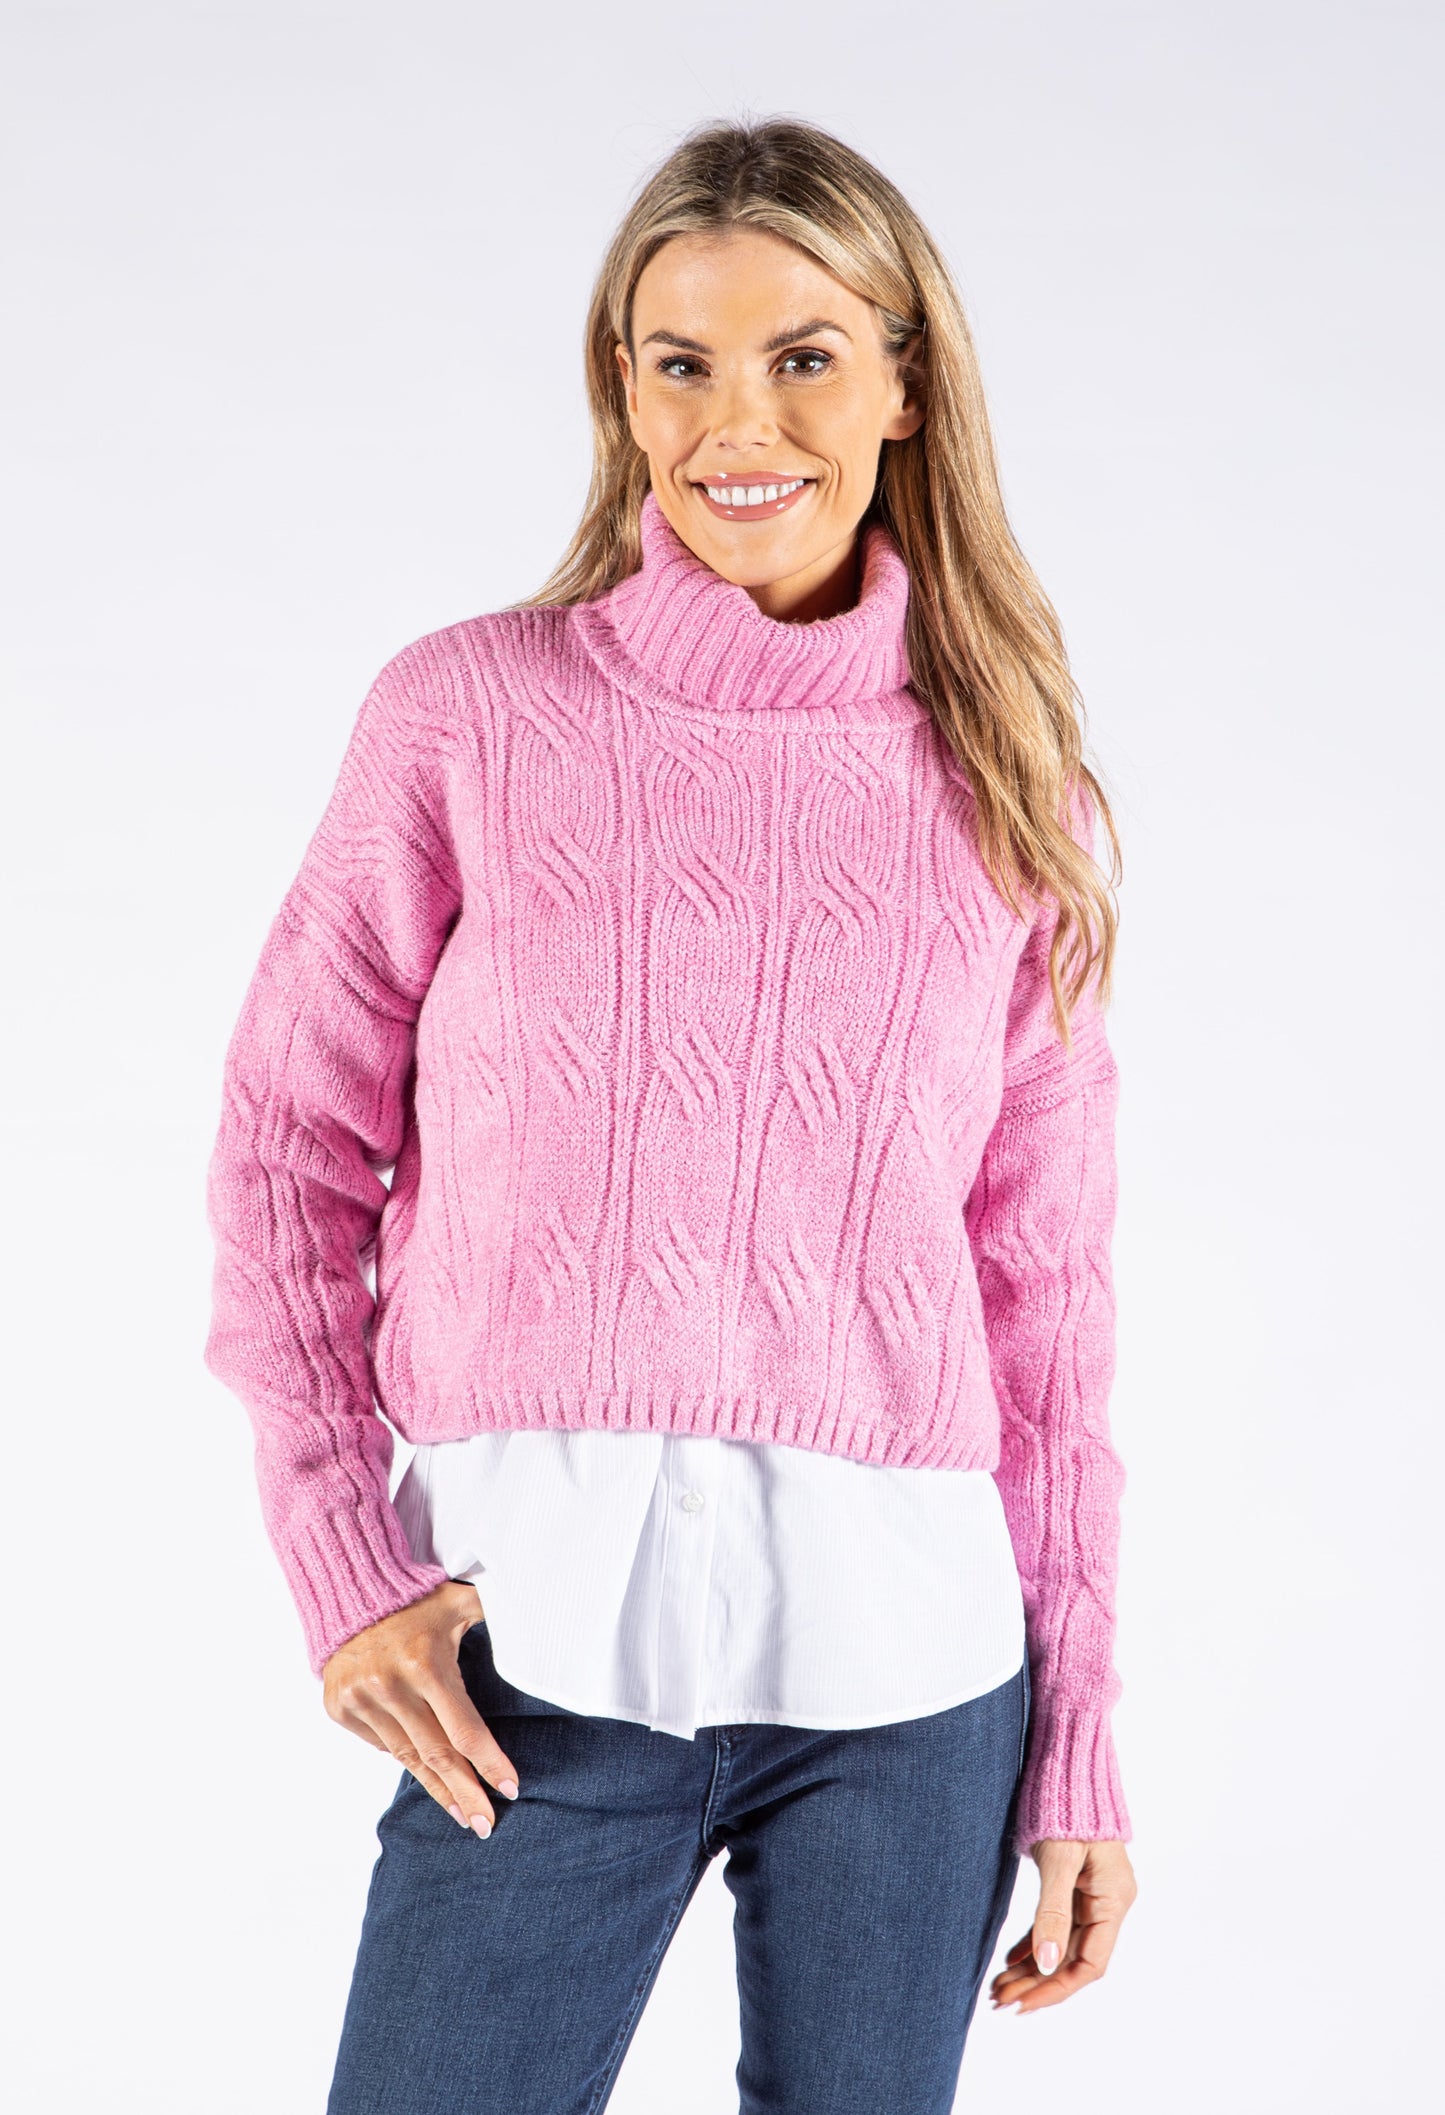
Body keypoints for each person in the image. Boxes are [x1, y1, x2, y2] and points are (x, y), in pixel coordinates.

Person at [203, 114, 1139, 2115]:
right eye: (680, 359)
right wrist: (339, 1553)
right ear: (620, 389)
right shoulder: (469, 715)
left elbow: (1046, 1305)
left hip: (912, 1689)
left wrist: (1080, 1737)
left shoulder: (1008, 788)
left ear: (904, 385)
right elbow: (288, 1148)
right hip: (526, 1673)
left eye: (805, 355)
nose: (739, 421)